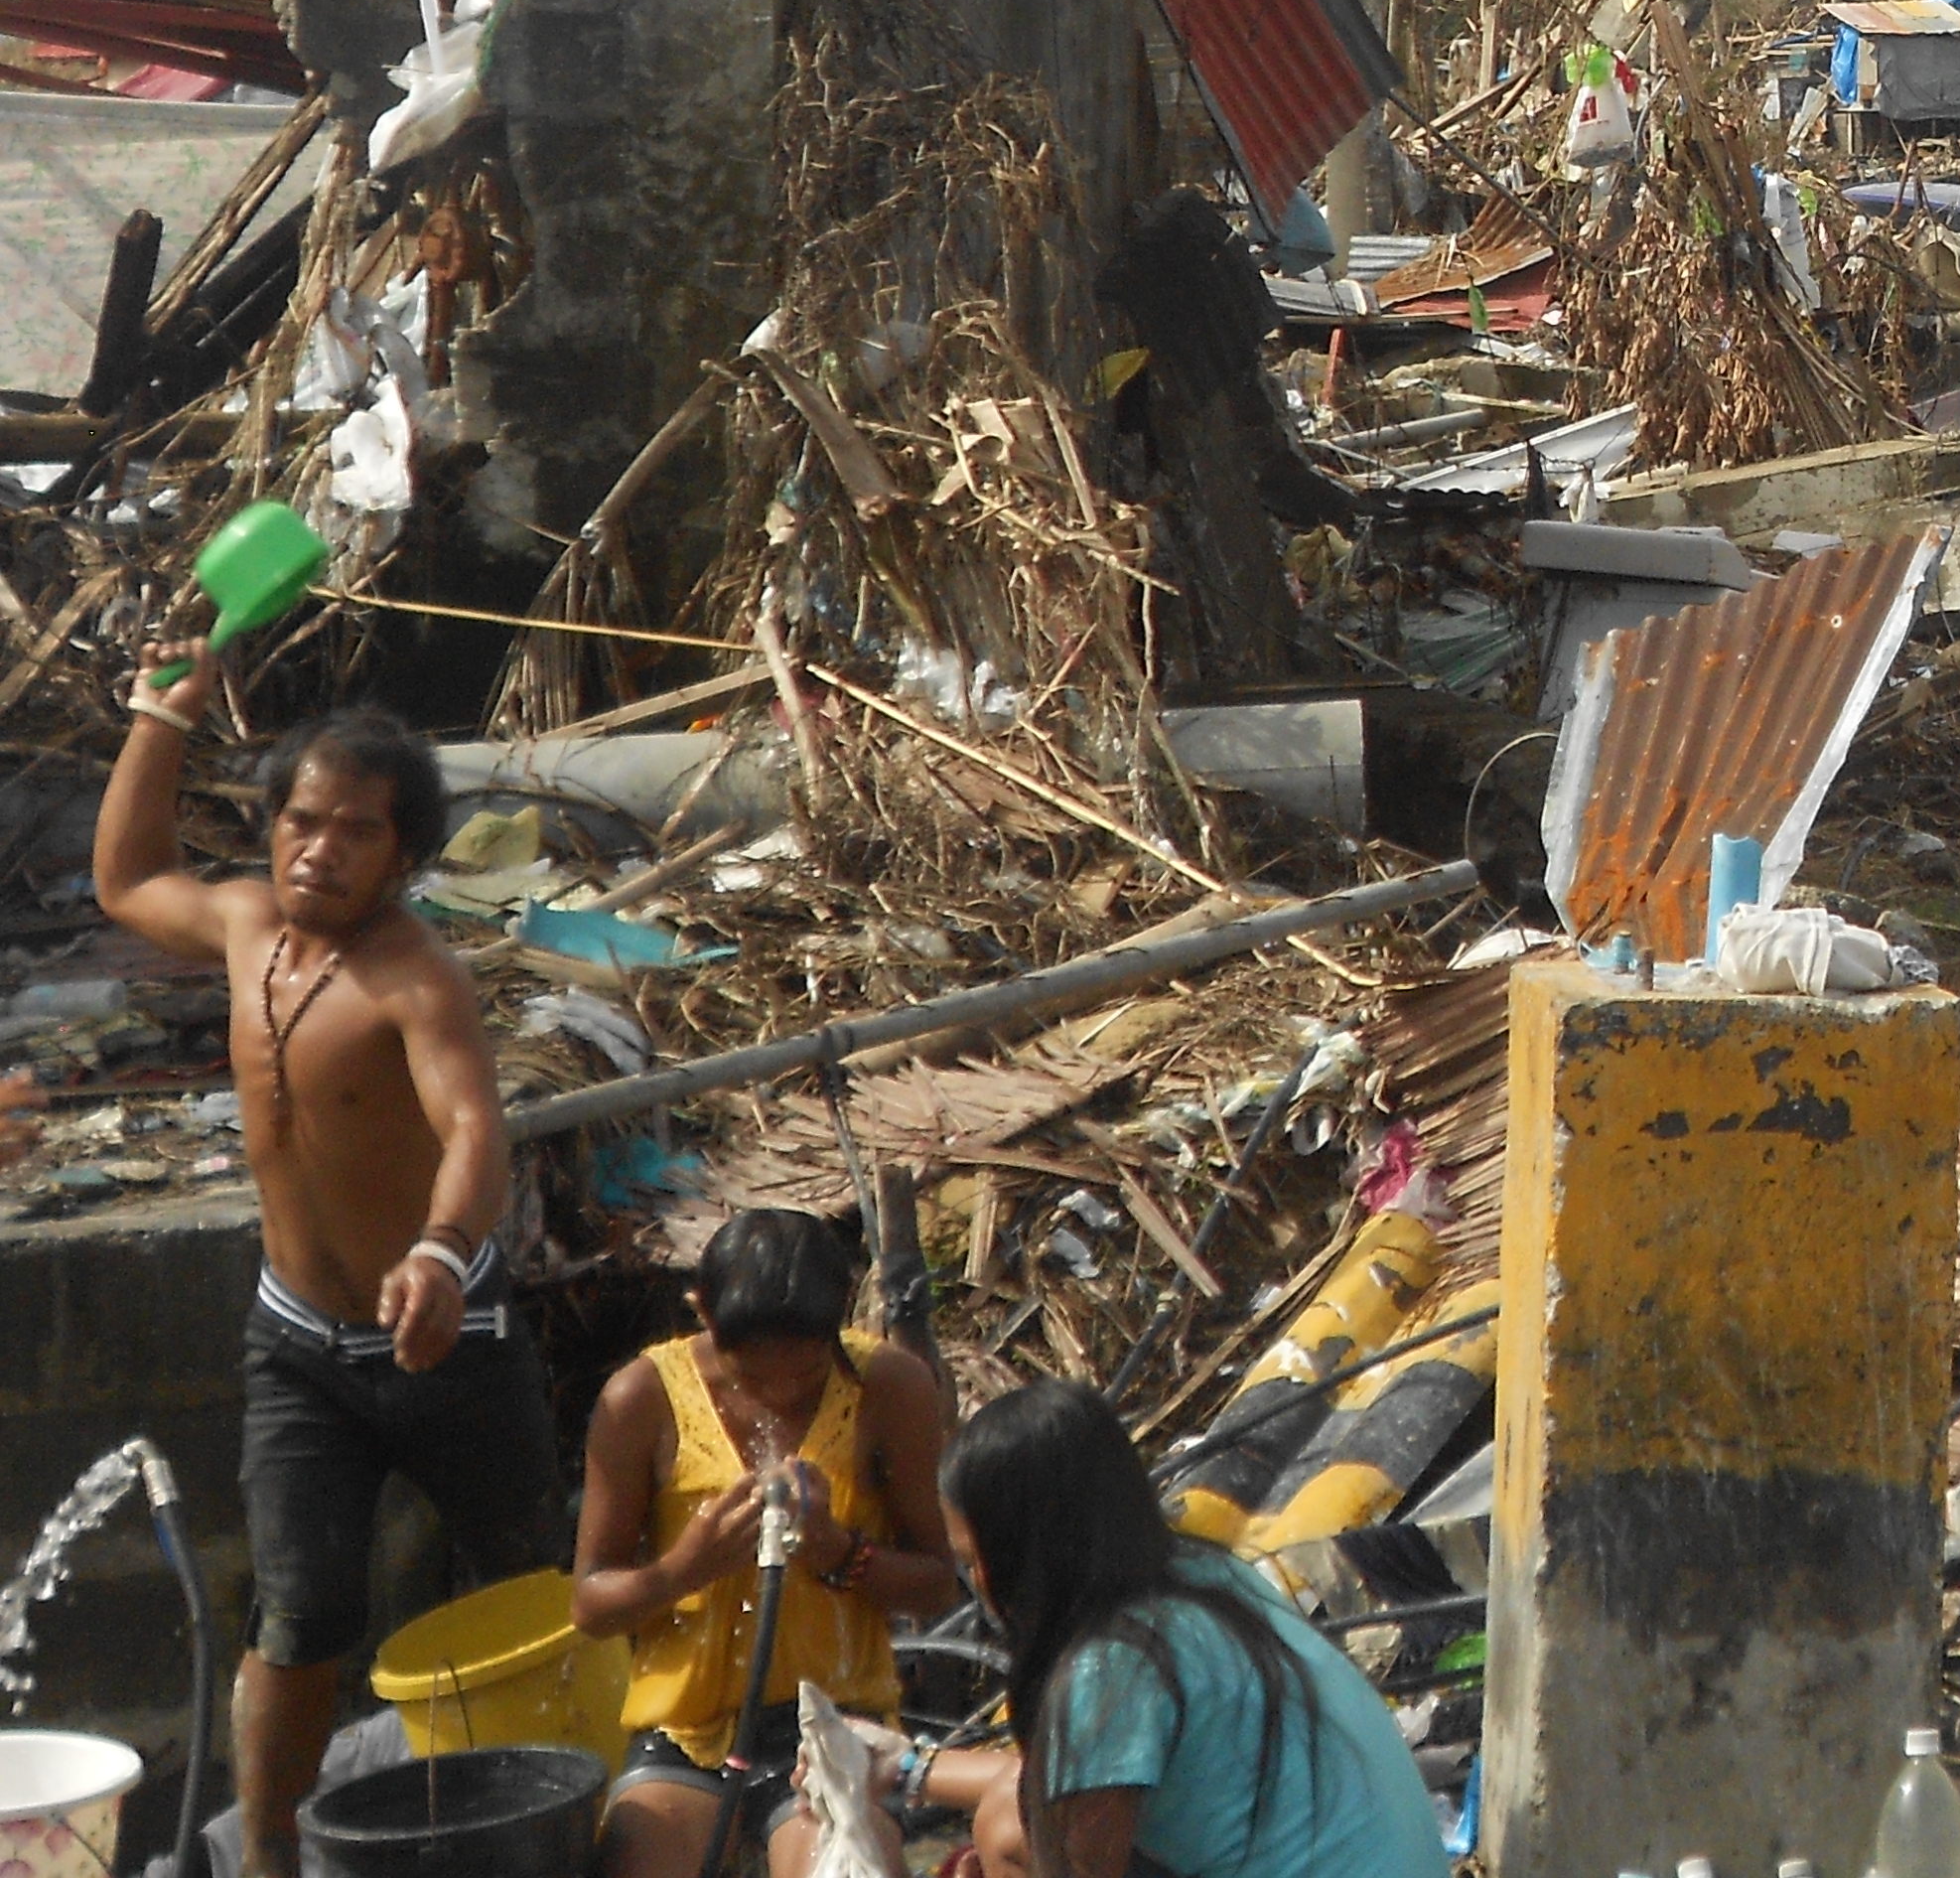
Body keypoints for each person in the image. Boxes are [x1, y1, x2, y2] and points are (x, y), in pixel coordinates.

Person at [93, 655, 554, 1878]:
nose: (320, 850)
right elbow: (128, 879)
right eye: (303, 821)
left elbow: (474, 1128)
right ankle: (270, 1860)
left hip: (452, 1337)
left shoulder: (417, 977)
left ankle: (563, 1822)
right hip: (299, 1345)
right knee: (296, 1622)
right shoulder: (247, 925)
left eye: (357, 831)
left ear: (402, 856)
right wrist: (161, 716)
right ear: (272, 825)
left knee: (530, 1586)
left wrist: (441, 1256)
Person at [863, 1381, 1439, 1878]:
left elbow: (1065, 1849)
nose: (979, 1581)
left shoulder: (1111, 1665)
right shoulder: (1209, 1576)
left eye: (973, 1560)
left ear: (1025, 1554)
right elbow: (1056, 1783)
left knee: (1005, 1832)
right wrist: (907, 1765)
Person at [573, 1208, 959, 1878]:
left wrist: (839, 1552)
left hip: (837, 1721)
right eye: (750, 1377)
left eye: (805, 1379)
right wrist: (684, 1568)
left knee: (846, 1867)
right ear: (701, 1311)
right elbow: (591, 1605)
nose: (780, 1395)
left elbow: (937, 1583)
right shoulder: (641, 1398)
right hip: (687, 1733)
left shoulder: (889, 1388)